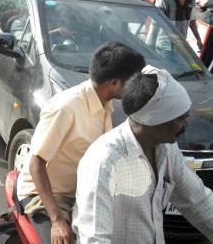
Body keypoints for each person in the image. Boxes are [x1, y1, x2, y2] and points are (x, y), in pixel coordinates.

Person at [17, 43, 146, 244]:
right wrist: (57, 220)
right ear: (113, 82)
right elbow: (36, 164)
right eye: (132, 82)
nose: (134, 88)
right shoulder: (66, 108)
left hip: (81, 194)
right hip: (47, 196)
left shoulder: (105, 104)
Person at [73, 66, 213, 243]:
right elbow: (94, 238)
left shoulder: (166, 149)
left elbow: (198, 200)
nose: (185, 126)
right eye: (179, 119)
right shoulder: (104, 161)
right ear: (155, 119)